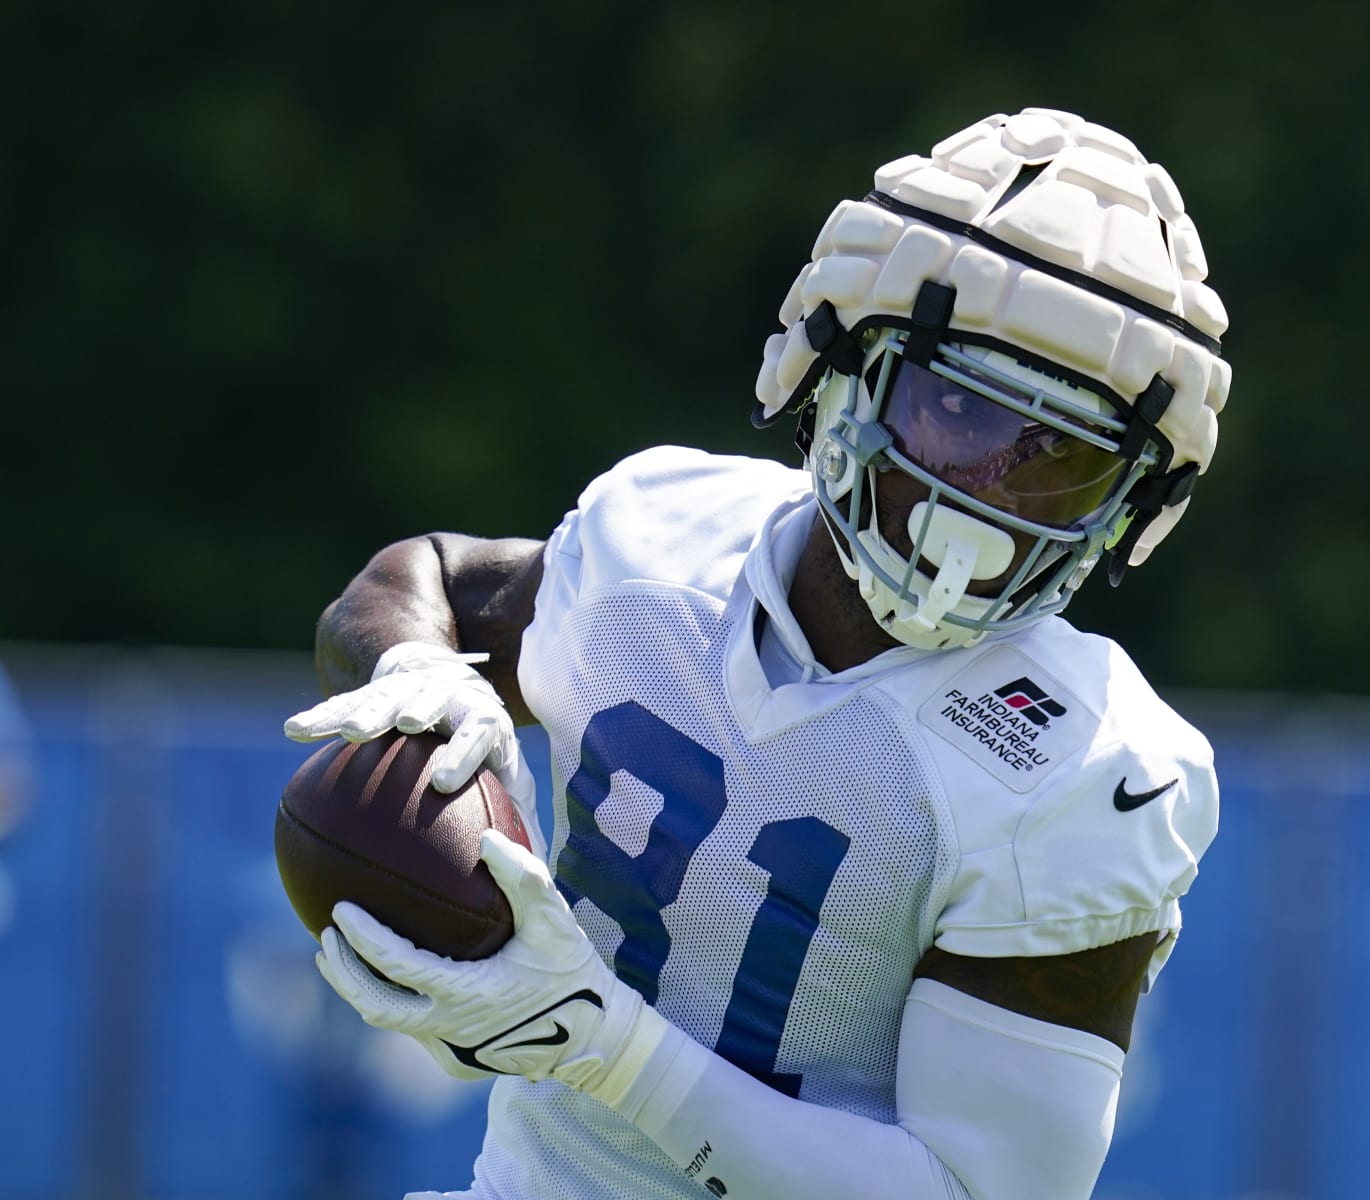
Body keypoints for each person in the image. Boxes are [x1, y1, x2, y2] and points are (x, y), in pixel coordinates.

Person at [287, 107, 1233, 1200]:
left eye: (1062, 463)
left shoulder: (1084, 768)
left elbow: (969, 1195)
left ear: (1131, 506)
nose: (992, 496)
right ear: (838, 366)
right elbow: (428, 581)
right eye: (959, 409)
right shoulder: (658, 542)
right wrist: (419, 676)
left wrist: (600, 1042)